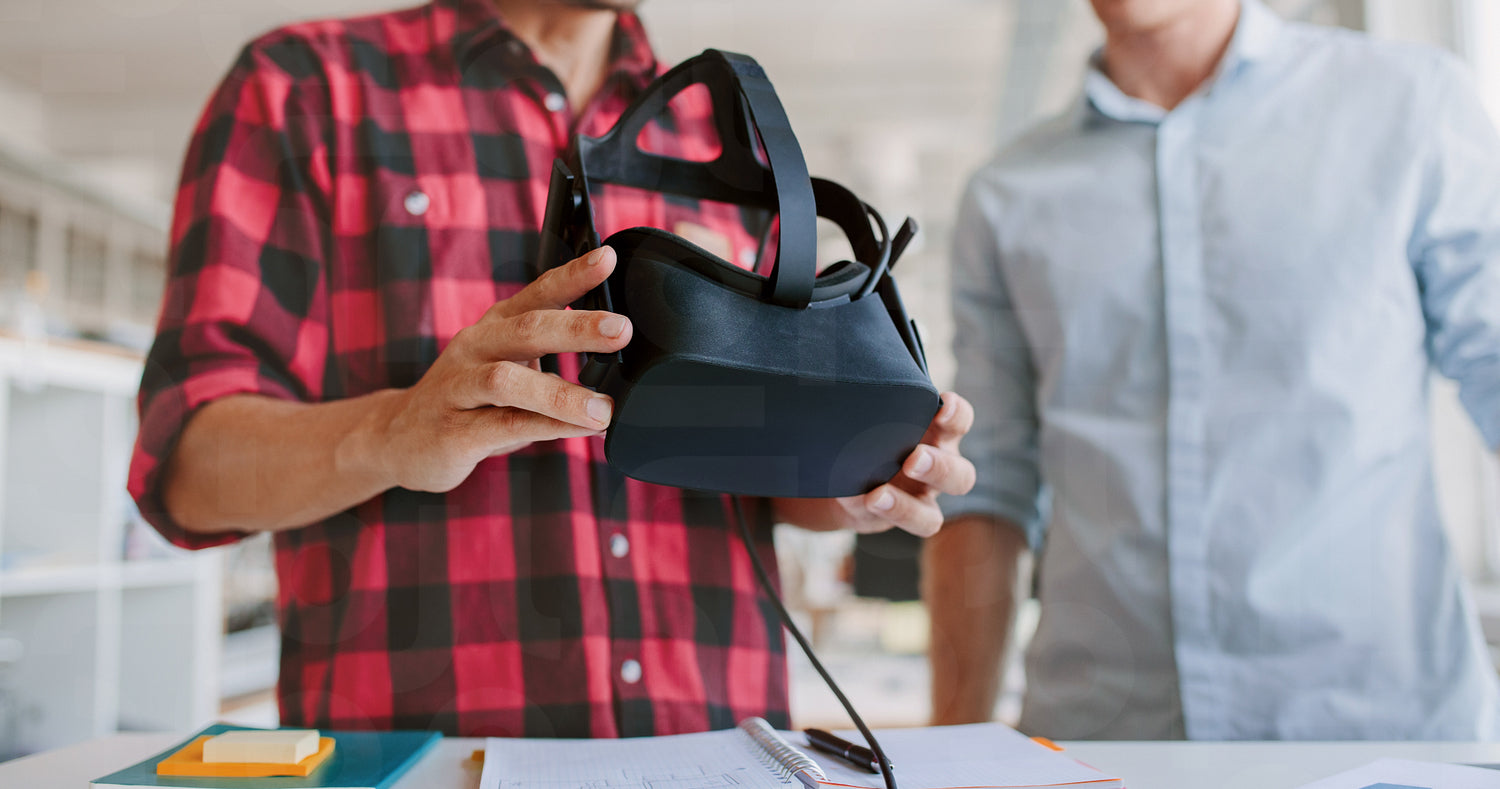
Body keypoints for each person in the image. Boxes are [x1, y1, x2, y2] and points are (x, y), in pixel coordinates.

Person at [127, 0, 975, 738]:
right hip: (423, 756)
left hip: (718, 745)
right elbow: (187, 469)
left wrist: (853, 477)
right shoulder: (306, 91)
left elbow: (757, 479)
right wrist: (390, 431)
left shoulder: (718, 134)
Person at [926, 0, 1500, 740]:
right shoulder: (1006, 194)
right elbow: (984, 485)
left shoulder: (1411, 103)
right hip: (1102, 742)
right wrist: (954, 744)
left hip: (1383, 735)